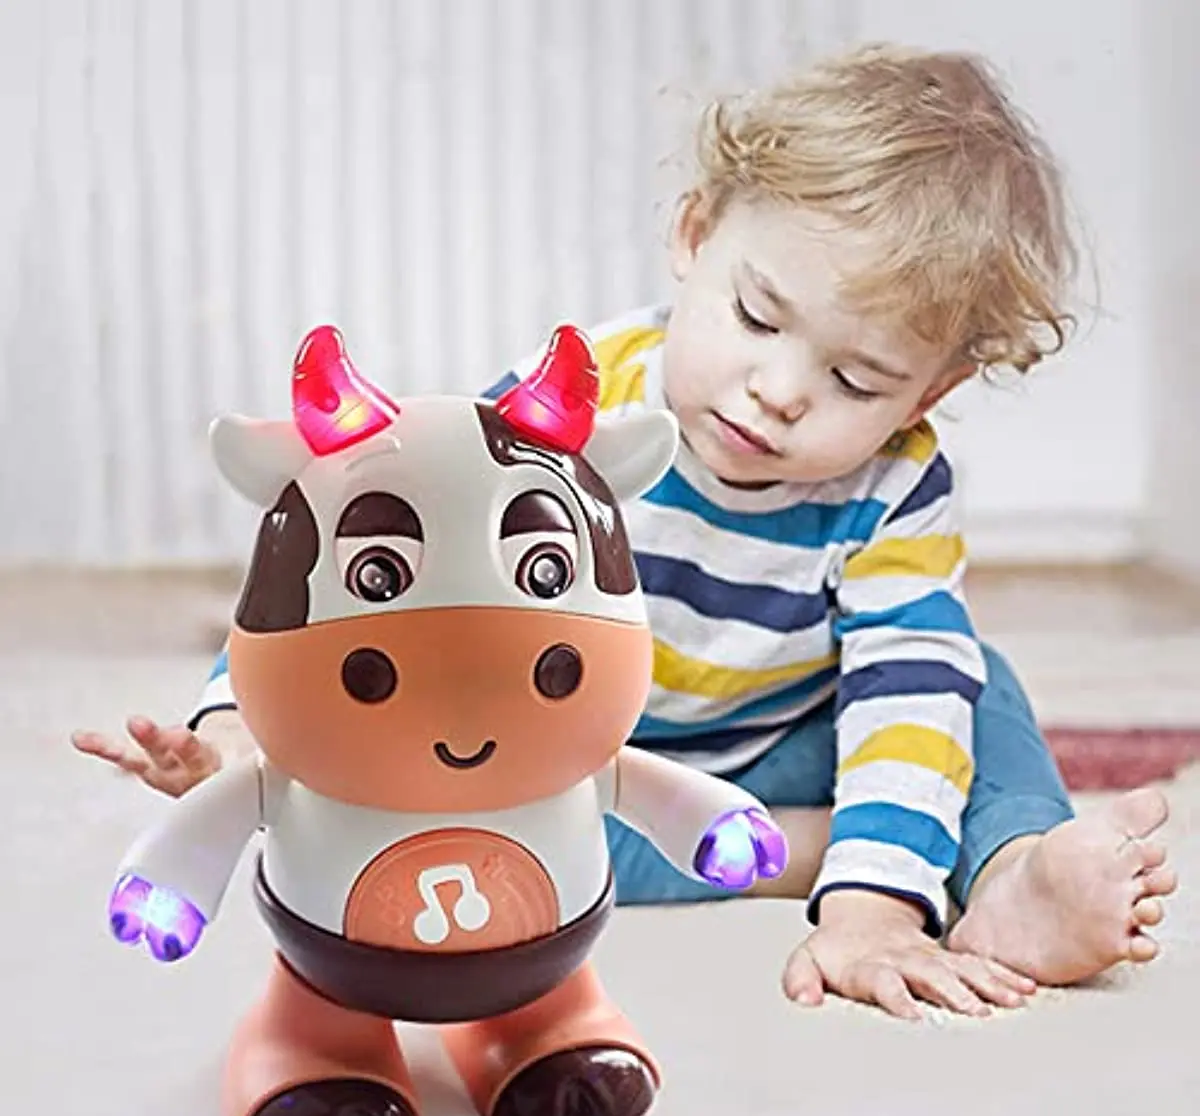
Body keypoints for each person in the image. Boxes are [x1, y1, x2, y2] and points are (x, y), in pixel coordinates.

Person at [75, 42, 1176, 1021]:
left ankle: (1010, 870)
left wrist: (873, 912)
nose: (779, 390)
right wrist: (239, 725)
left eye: (855, 379)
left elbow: (904, 694)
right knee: (464, 825)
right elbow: (362, 572)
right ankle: (810, 846)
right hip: (577, 757)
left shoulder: (896, 486)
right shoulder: (567, 414)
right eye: (756, 317)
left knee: (964, 681)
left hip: (785, 733)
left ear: (929, 392)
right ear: (694, 235)